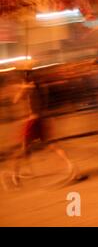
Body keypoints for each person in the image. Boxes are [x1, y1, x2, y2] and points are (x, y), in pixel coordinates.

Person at [2, 62, 76, 190]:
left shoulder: (27, 88)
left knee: (23, 149)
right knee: (50, 144)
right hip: (41, 118)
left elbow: (16, 100)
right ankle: (70, 164)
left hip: (31, 121)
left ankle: (15, 176)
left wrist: (19, 88)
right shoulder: (40, 86)